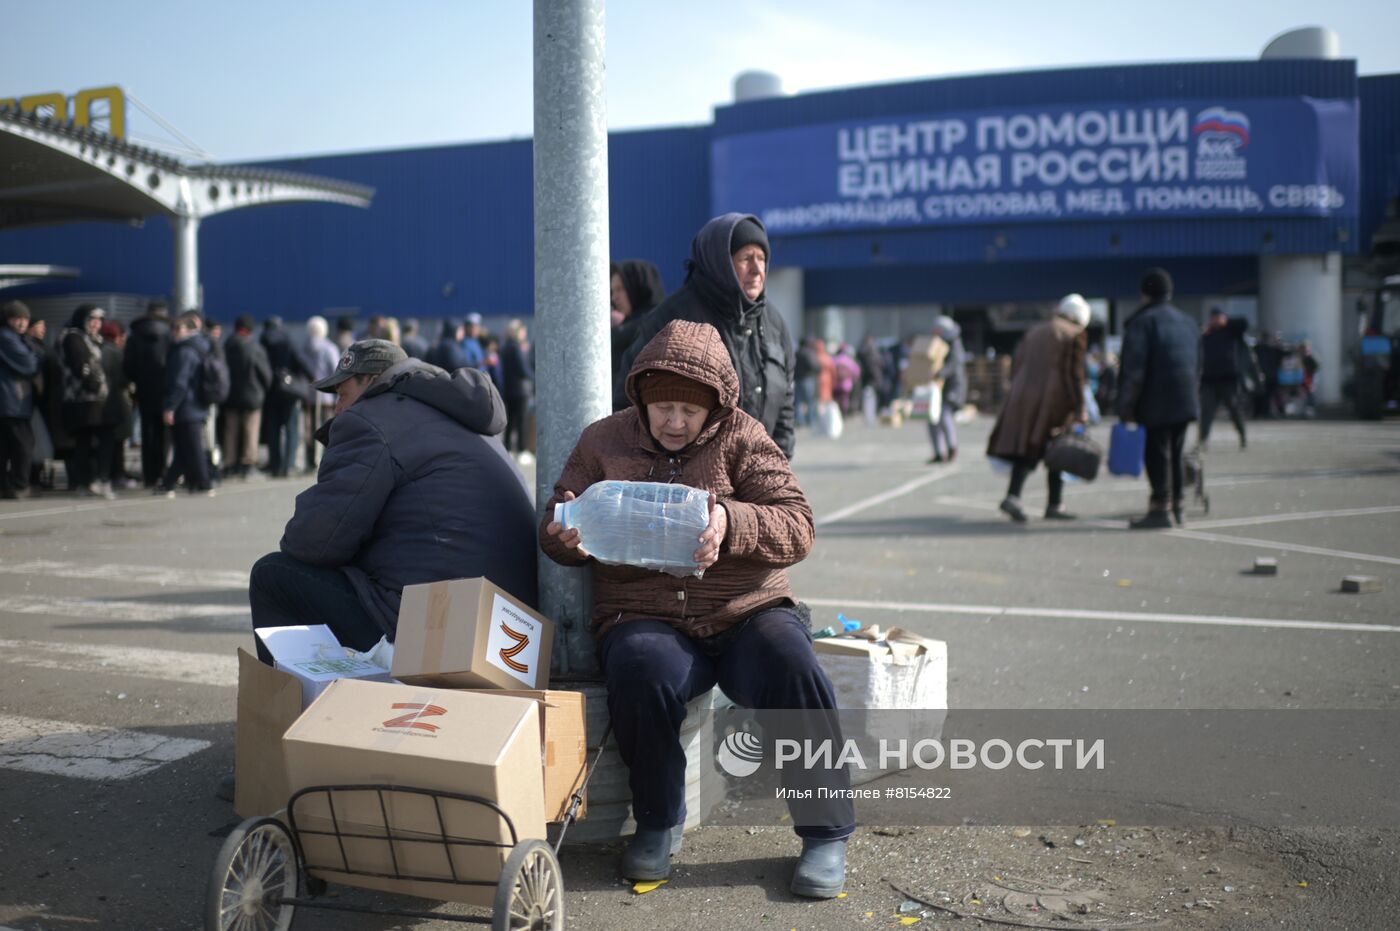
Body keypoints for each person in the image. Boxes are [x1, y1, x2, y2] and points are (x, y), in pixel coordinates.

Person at [542, 320, 852, 898]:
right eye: (663, 409)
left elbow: (799, 526)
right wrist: (560, 535)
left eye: (690, 410)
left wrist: (731, 522)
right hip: (645, 613)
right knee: (639, 667)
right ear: (640, 399)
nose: (676, 422)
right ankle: (658, 823)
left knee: (793, 663)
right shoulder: (602, 441)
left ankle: (825, 832)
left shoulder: (744, 436)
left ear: (716, 407)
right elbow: (557, 516)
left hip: (745, 609)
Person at [249, 339, 538, 662]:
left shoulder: (370, 421)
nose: (338, 408)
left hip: (440, 632)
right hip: (514, 635)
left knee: (272, 575)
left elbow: (313, 541)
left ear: (372, 382)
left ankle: (294, 708)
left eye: (342, 394)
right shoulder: (460, 416)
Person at [613, 213, 797, 460]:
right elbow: (629, 403)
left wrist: (777, 463)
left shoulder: (774, 324)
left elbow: (785, 404)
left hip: (756, 477)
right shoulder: (674, 318)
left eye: (761, 258)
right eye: (745, 259)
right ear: (719, 262)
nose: (756, 269)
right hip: (690, 483)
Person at [987, 294, 1089, 522]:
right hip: (1053, 401)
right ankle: (1054, 504)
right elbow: (1075, 375)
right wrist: (1080, 406)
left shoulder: (1035, 331)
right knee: (1058, 449)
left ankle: (1015, 496)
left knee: (1028, 447)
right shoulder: (1074, 334)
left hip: (1023, 396)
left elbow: (1018, 363)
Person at [1118, 268, 1201, 529]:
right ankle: (1179, 506)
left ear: (1144, 294)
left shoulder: (1142, 322)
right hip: (1186, 396)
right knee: (1176, 453)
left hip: (1155, 400)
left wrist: (1126, 405)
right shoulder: (1188, 322)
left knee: (1157, 453)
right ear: (1169, 292)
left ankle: (1160, 508)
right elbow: (1199, 365)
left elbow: (1134, 370)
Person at [157, 311, 216, 496]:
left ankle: (204, 483)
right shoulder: (200, 347)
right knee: (184, 447)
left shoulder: (184, 351)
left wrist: (170, 407)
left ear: (187, 330)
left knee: (191, 447)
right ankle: (169, 483)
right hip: (196, 405)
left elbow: (180, 383)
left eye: (177, 328)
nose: (173, 332)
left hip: (187, 406)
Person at [60, 305, 112, 498]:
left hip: (95, 399)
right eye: (92, 319)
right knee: (88, 441)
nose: (96, 324)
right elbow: (82, 367)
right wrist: (97, 386)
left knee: (89, 441)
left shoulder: (94, 339)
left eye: (99, 320)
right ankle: (89, 481)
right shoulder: (73, 337)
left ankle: (90, 481)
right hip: (83, 399)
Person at [124, 299, 172, 487]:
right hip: (164, 389)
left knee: (147, 431)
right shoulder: (169, 333)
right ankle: (162, 472)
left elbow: (128, 366)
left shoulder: (135, 334)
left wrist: (137, 381)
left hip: (143, 389)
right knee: (163, 433)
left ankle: (149, 475)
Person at [0, 301, 42, 499]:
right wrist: (34, 354)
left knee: (7, 446)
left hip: (11, 401)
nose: (22, 323)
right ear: (9, 320)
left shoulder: (13, 338)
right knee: (23, 444)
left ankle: (6, 486)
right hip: (12, 401)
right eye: (18, 318)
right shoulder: (7, 338)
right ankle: (20, 485)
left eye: (25, 319)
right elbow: (29, 363)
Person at [222, 315, 273, 478]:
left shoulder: (227, 345)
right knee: (250, 430)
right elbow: (265, 374)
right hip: (252, 395)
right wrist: (263, 389)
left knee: (231, 431)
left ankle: (229, 463)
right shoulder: (255, 348)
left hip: (230, 396)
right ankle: (248, 464)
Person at [261, 316, 309, 478]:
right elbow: (301, 362)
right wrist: (311, 377)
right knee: (291, 429)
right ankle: (288, 465)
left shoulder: (263, 342)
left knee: (273, 430)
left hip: (270, 392)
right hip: (289, 391)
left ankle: (275, 465)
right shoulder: (288, 341)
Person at [1197, 309, 1252, 451]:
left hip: (1229, 380)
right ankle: (1203, 440)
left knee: (1234, 410)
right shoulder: (1206, 334)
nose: (1215, 321)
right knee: (1206, 411)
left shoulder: (1232, 331)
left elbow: (1244, 323)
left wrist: (1225, 322)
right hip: (1209, 380)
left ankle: (1242, 436)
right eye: (1213, 318)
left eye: (1218, 318)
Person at [609, 259, 667, 381]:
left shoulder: (653, 326)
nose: (614, 297)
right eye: (613, 291)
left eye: (620, 289)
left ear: (637, 287)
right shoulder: (624, 326)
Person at [97, 321, 133, 490]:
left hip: (102, 402)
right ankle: (114, 476)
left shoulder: (99, 350)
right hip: (115, 401)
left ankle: (109, 475)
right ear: (117, 337)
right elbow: (123, 378)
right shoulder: (115, 353)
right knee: (115, 441)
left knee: (108, 441)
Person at [928, 317, 966, 463]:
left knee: (944, 416)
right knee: (932, 419)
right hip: (938, 387)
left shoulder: (954, 343)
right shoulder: (939, 344)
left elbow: (953, 364)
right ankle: (939, 452)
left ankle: (952, 448)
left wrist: (940, 373)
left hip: (953, 387)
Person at [500, 319, 534, 458]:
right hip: (521, 390)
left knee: (510, 421)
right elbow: (522, 369)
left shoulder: (505, 347)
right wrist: (535, 377)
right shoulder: (516, 348)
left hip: (509, 389)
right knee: (521, 421)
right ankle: (521, 450)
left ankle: (507, 448)